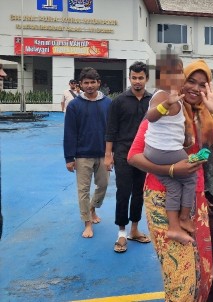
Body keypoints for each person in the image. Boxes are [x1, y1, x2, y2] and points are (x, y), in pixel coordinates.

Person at [129, 59, 213, 301]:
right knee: (180, 276)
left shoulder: (206, 115)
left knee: (202, 272)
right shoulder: (163, 108)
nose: (195, 88)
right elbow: (133, 156)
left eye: (202, 84)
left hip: (194, 202)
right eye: (191, 81)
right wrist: (171, 170)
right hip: (161, 197)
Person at [143, 57, 198, 245]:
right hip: (163, 151)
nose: (175, 76)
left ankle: (174, 227)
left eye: (179, 71)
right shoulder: (162, 96)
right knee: (191, 177)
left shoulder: (179, 98)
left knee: (174, 186)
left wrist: (186, 137)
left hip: (157, 151)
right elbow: (150, 117)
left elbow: (173, 127)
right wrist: (165, 104)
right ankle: (184, 217)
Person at [105, 61, 152, 253]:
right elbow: (111, 130)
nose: (137, 81)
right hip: (123, 153)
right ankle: (122, 233)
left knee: (140, 192)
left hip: (145, 154)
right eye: (134, 77)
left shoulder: (153, 100)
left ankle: (135, 229)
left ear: (146, 79)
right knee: (123, 192)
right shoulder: (119, 101)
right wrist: (108, 155)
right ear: (129, 78)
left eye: (141, 78)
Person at [64, 67, 112, 238]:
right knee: (83, 190)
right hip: (82, 155)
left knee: (104, 185)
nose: (90, 85)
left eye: (93, 82)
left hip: (103, 154)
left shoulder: (108, 104)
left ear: (98, 83)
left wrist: (110, 154)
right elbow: (69, 133)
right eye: (86, 83)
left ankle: (92, 208)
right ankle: (87, 222)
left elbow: (112, 131)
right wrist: (69, 158)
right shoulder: (74, 106)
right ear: (81, 85)